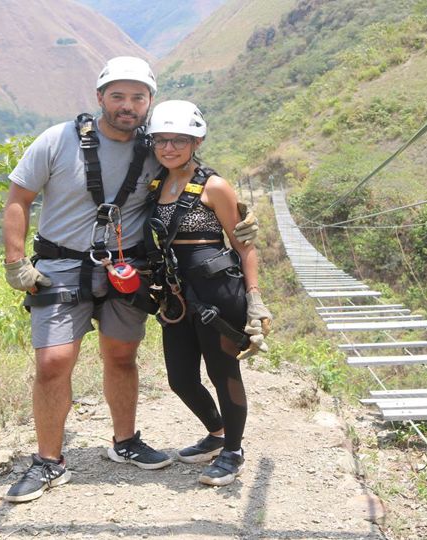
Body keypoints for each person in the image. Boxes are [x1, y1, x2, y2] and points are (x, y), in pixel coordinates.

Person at [1, 58, 258, 503]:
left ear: (149, 103)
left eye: (137, 97)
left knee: (122, 356)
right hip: (61, 268)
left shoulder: (154, 147)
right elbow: (19, 197)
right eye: (117, 95)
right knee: (53, 363)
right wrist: (15, 262)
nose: (127, 105)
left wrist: (240, 217)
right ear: (99, 97)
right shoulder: (57, 140)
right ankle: (48, 461)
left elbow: (195, 176)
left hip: (128, 272)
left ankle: (126, 442)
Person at [144, 100, 272, 486]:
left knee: (223, 372)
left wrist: (254, 298)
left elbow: (243, 244)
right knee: (180, 378)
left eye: (179, 140)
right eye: (161, 140)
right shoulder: (157, 184)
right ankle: (217, 433)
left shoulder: (213, 185)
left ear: (196, 141)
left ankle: (233, 451)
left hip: (218, 293)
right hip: (177, 296)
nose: (169, 148)